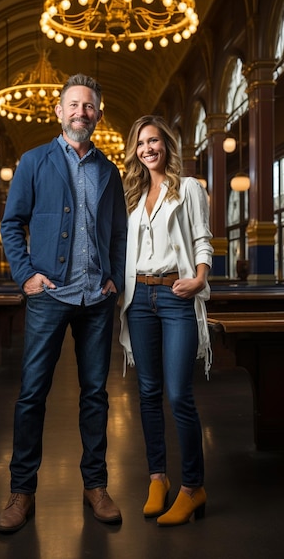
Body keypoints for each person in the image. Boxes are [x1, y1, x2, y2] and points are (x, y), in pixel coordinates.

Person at [0, 73, 127, 533]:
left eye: (88, 106)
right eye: (73, 105)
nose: (80, 113)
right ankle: (21, 491)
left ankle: (96, 486)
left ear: (98, 113)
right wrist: (26, 274)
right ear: (58, 111)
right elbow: (11, 224)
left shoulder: (109, 171)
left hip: (96, 300)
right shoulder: (33, 162)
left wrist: (113, 277)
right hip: (50, 295)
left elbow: (117, 232)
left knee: (95, 396)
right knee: (32, 394)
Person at [119, 115, 213, 526]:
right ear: (135, 151)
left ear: (166, 145)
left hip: (176, 295)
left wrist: (199, 279)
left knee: (178, 395)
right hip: (139, 297)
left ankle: (193, 488)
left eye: (153, 141)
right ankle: (158, 478)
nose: (147, 149)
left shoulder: (188, 187)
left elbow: (201, 238)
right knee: (147, 393)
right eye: (141, 144)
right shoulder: (135, 194)